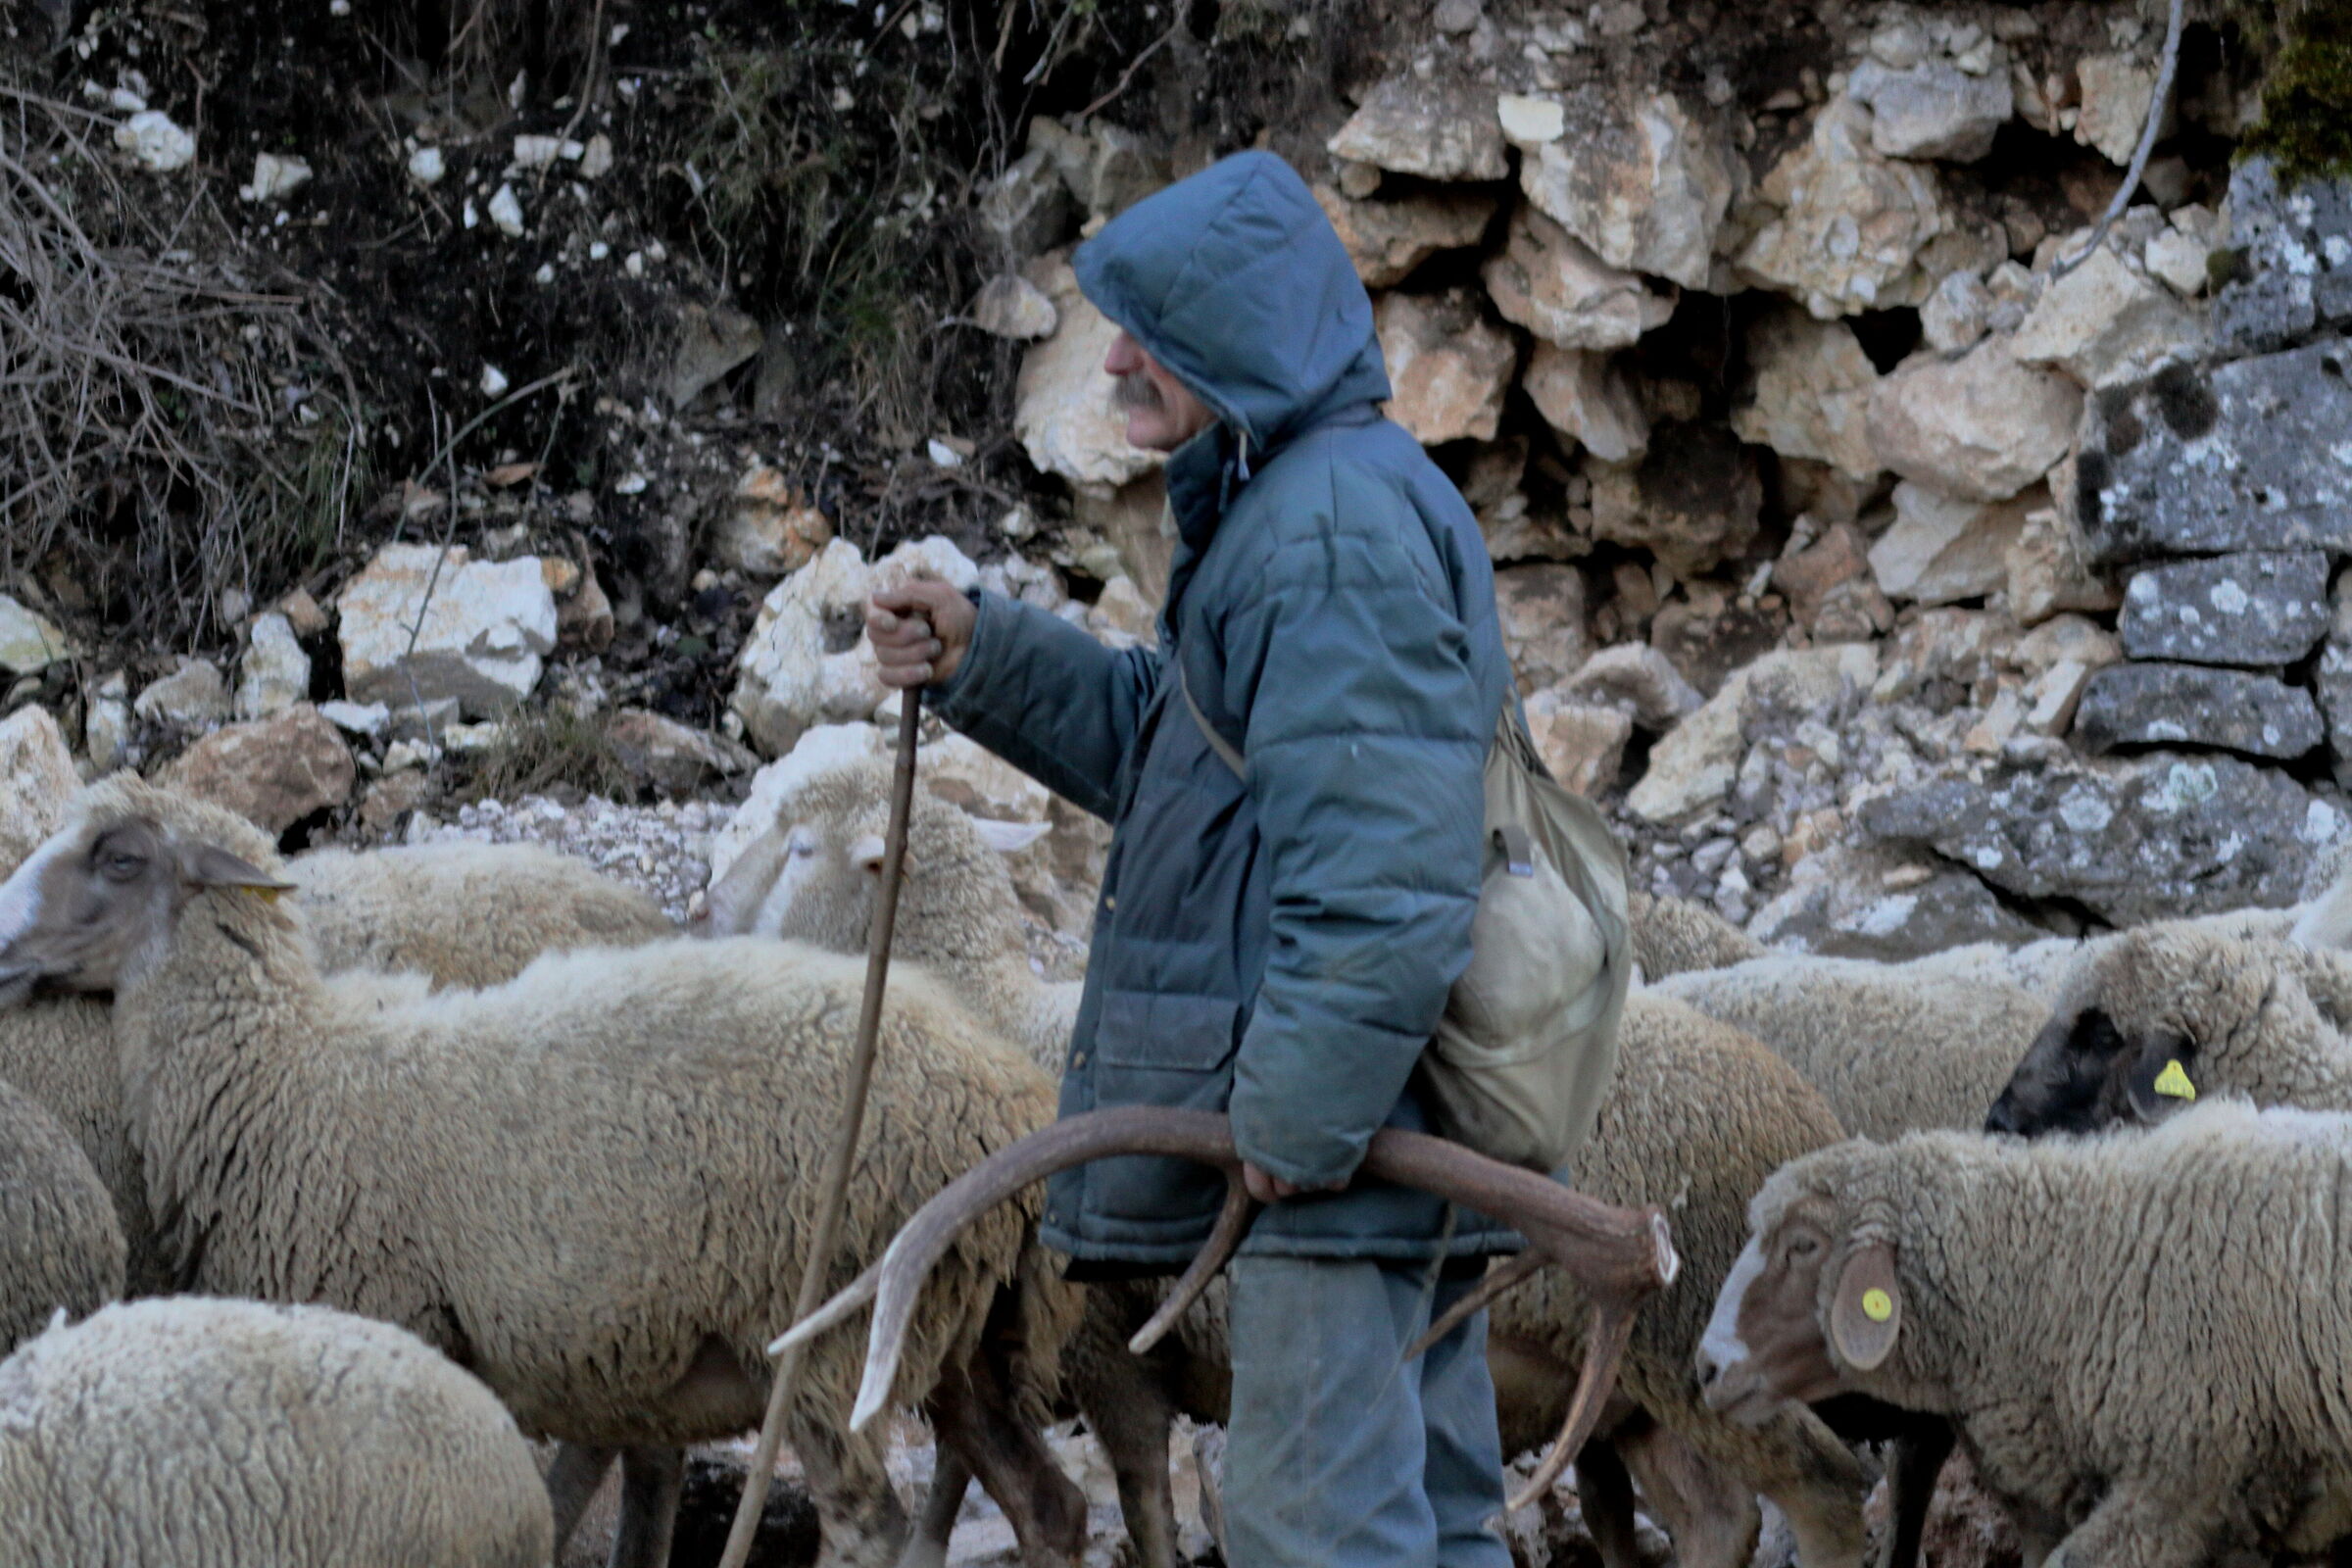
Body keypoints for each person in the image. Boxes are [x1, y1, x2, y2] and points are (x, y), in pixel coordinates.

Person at [868, 149, 1515, 1567]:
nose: (1112, 357)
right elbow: (1194, 763)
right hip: (1376, 1136)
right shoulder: (1294, 498)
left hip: (1349, 1159)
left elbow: (1382, 879)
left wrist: (1294, 1116)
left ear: (1247, 333)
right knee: (1433, 1524)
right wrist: (985, 654)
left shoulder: (1329, 532)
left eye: (1153, 327)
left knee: (1321, 1537)